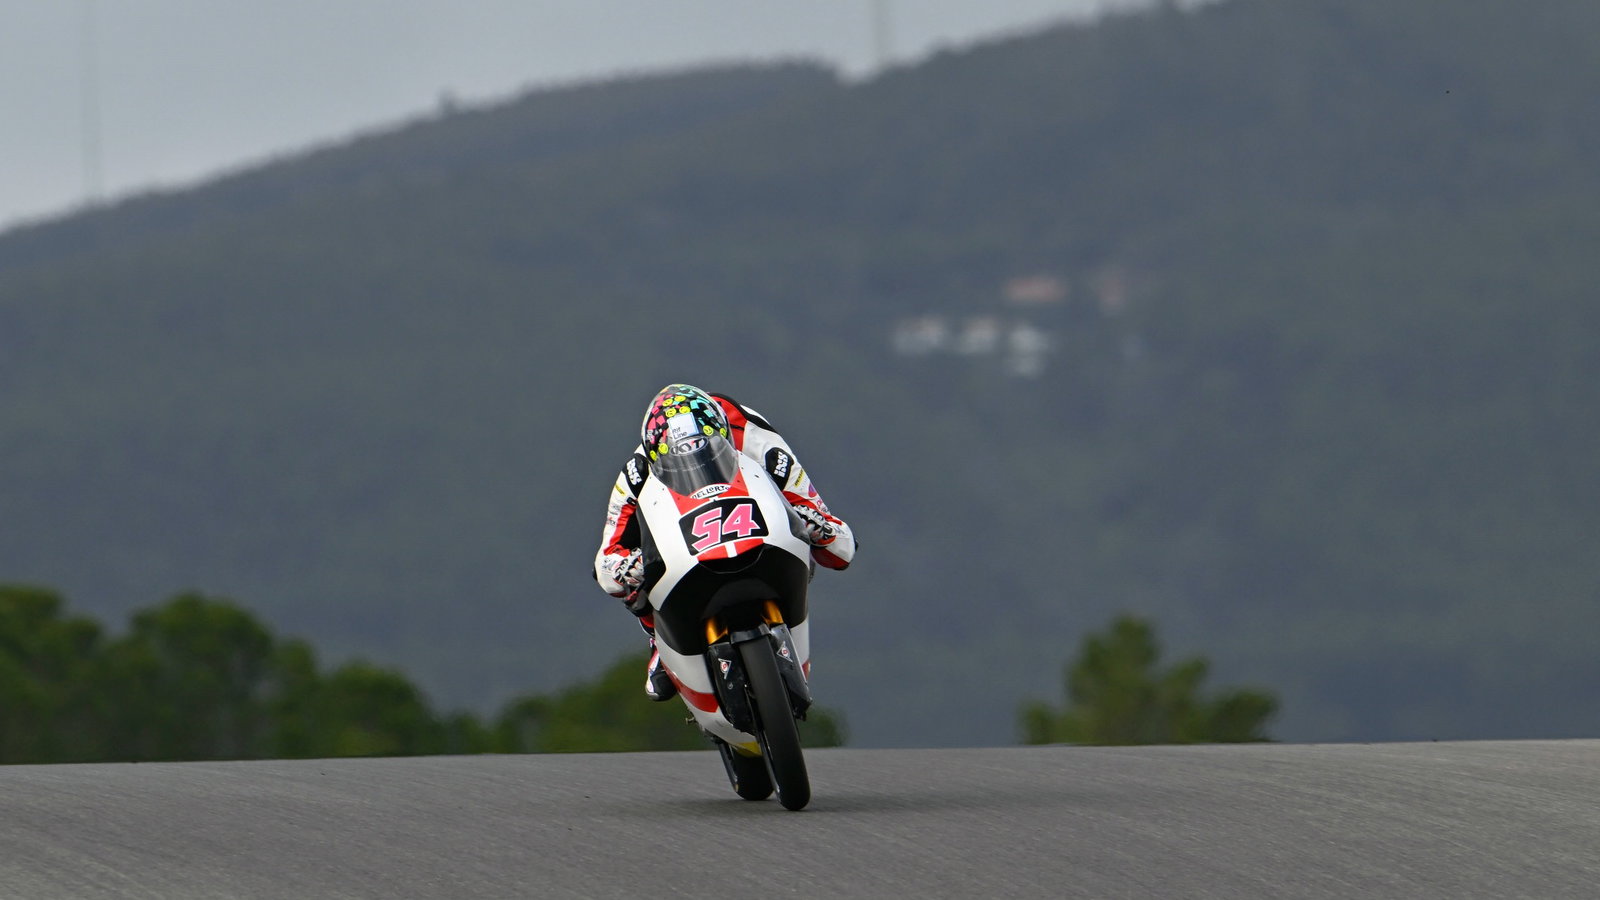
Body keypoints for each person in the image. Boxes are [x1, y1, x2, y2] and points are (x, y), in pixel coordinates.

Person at [593, 384, 856, 700]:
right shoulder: (639, 470)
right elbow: (605, 562)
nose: (696, 466)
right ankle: (658, 642)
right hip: (686, 543)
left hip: (757, 528)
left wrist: (820, 528)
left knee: (811, 531)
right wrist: (625, 567)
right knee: (629, 579)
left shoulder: (762, 445)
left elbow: (843, 549)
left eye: (706, 455)